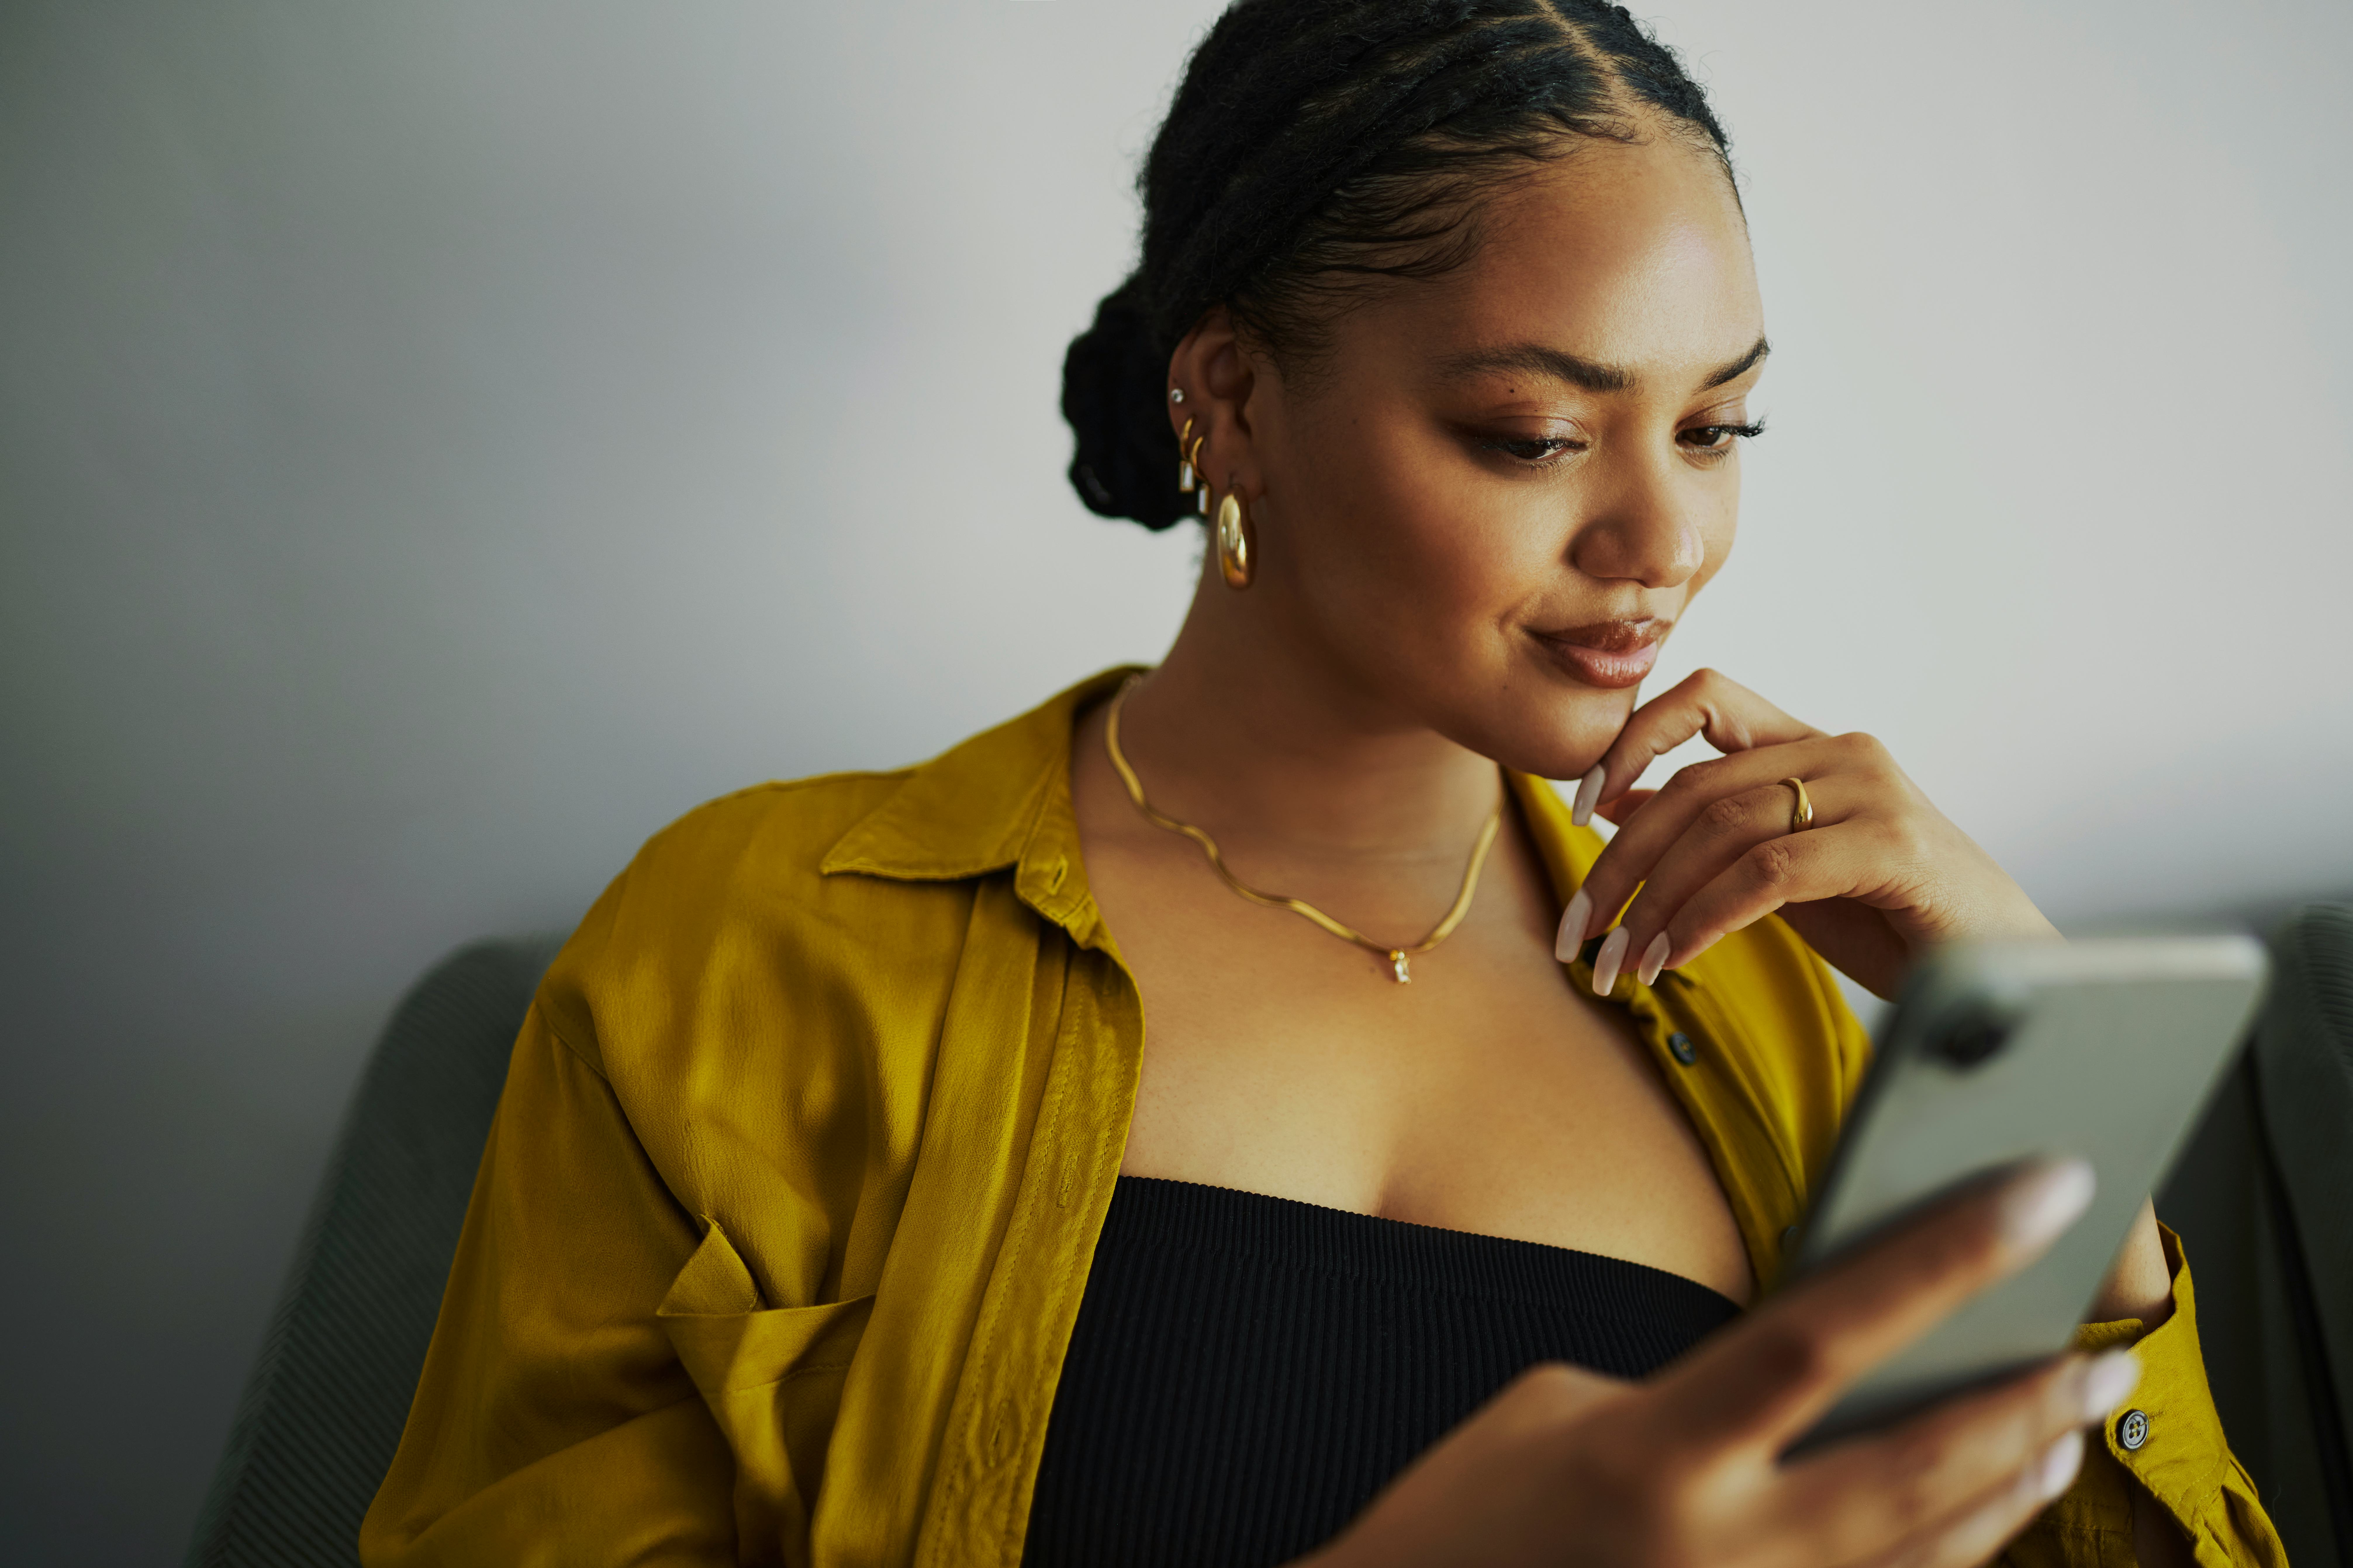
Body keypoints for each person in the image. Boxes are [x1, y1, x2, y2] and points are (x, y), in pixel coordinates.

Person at [360, 3, 2285, 1564]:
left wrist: (2039, 1036)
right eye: (1532, 432)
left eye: (1718, 424)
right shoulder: (754, 943)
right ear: (1234, 405)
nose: (1662, 534)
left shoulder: (1749, 998)